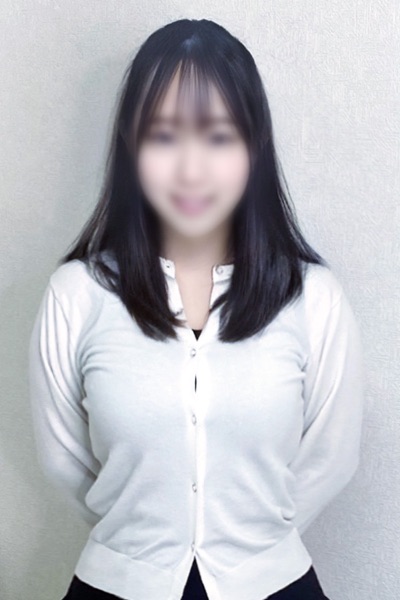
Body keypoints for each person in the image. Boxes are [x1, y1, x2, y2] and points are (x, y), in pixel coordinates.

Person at [28, 17, 364, 600]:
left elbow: (330, 458)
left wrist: (252, 550)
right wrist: (139, 546)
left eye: (218, 137)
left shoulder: (313, 296)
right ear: (131, 146)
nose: (190, 169)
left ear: (254, 145)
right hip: (117, 585)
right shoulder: (76, 294)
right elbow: (64, 459)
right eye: (163, 136)